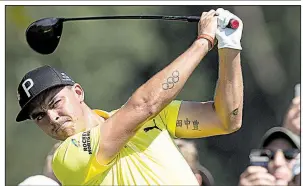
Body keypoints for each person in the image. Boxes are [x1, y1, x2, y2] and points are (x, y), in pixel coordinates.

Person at [16, 8, 244, 185]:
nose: (52, 118)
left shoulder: (153, 117)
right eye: (39, 116)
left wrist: (229, 46)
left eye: (55, 103)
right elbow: (145, 105)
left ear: (78, 92)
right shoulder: (66, 158)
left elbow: (226, 119)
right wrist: (204, 40)